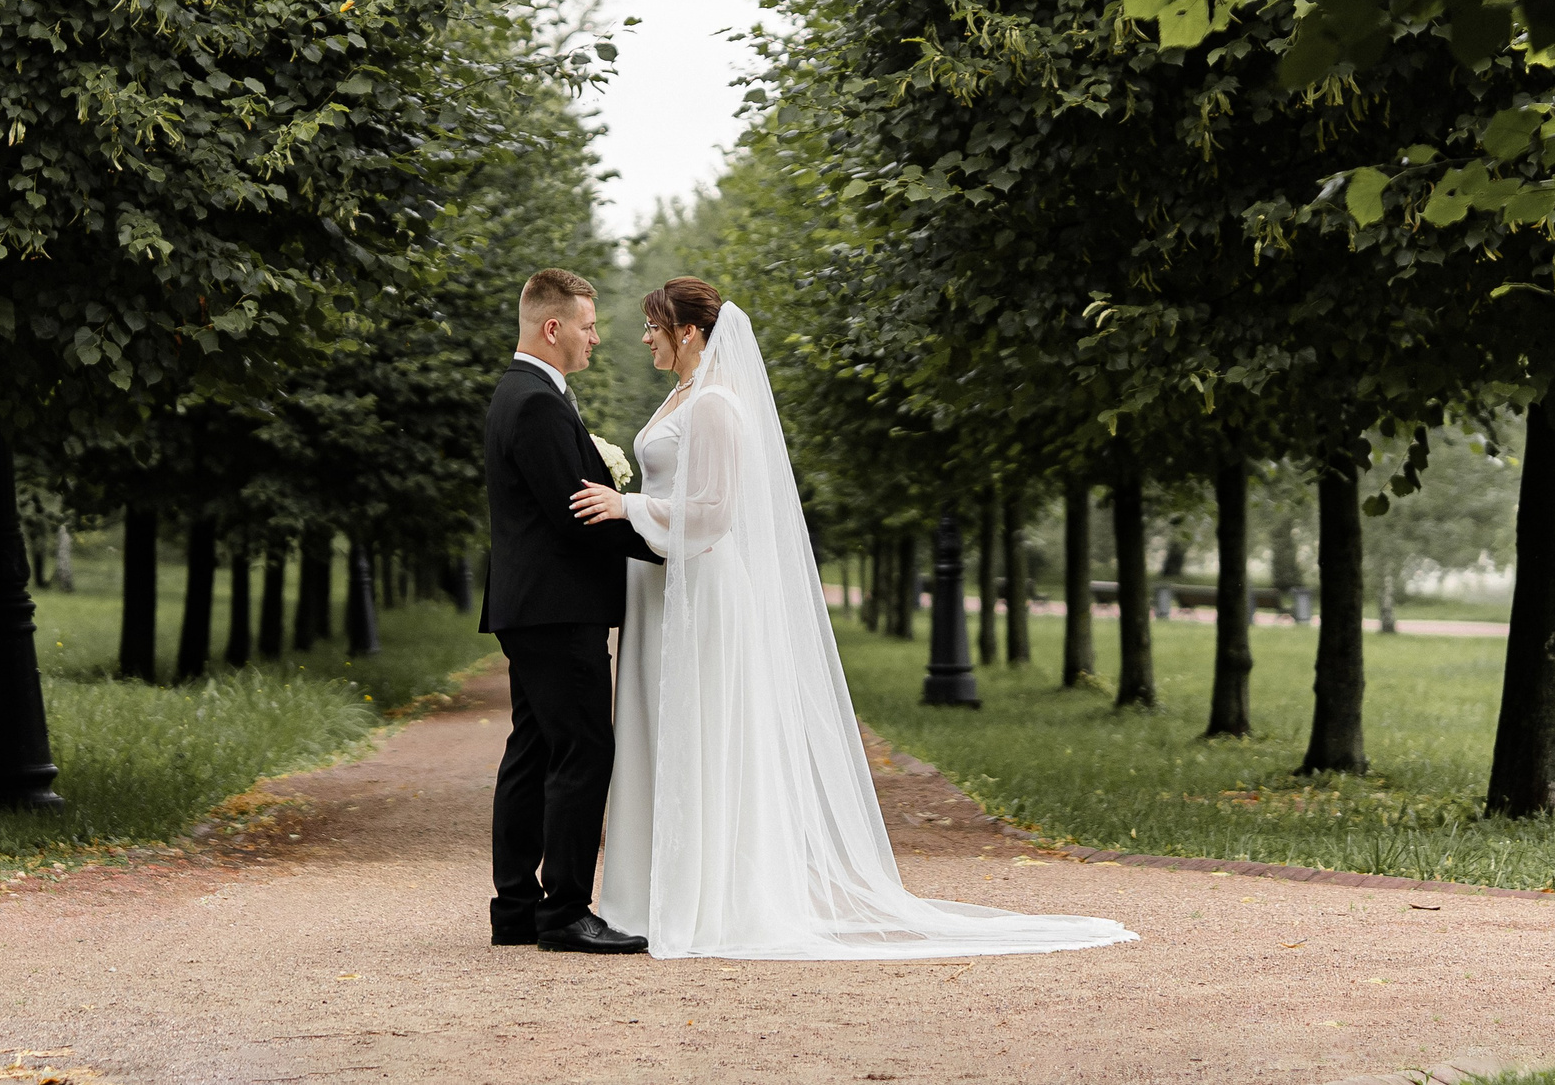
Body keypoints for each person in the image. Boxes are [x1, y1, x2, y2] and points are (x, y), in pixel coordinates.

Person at [574, 277, 1137, 961]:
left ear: (688, 330)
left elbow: (715, 513)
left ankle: (707, 899)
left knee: (701, 732)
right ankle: (646, 894)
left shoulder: (718, 404)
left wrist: (628, 507)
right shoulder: (680, 396)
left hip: (703, 591)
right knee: (658, 731)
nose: (645, 337)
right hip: (661, 587)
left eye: (654, 325)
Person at [481, 267, 662, 954]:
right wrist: (668, 540)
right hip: (558, 608)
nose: (594, 339)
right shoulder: (536, 402)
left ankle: (517, 908)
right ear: (552, 327)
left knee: (532, 749)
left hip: (530, 605)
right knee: (583, 749)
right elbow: (576, 515)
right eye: (587, 326)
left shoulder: (520, 392)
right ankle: (563, 912)